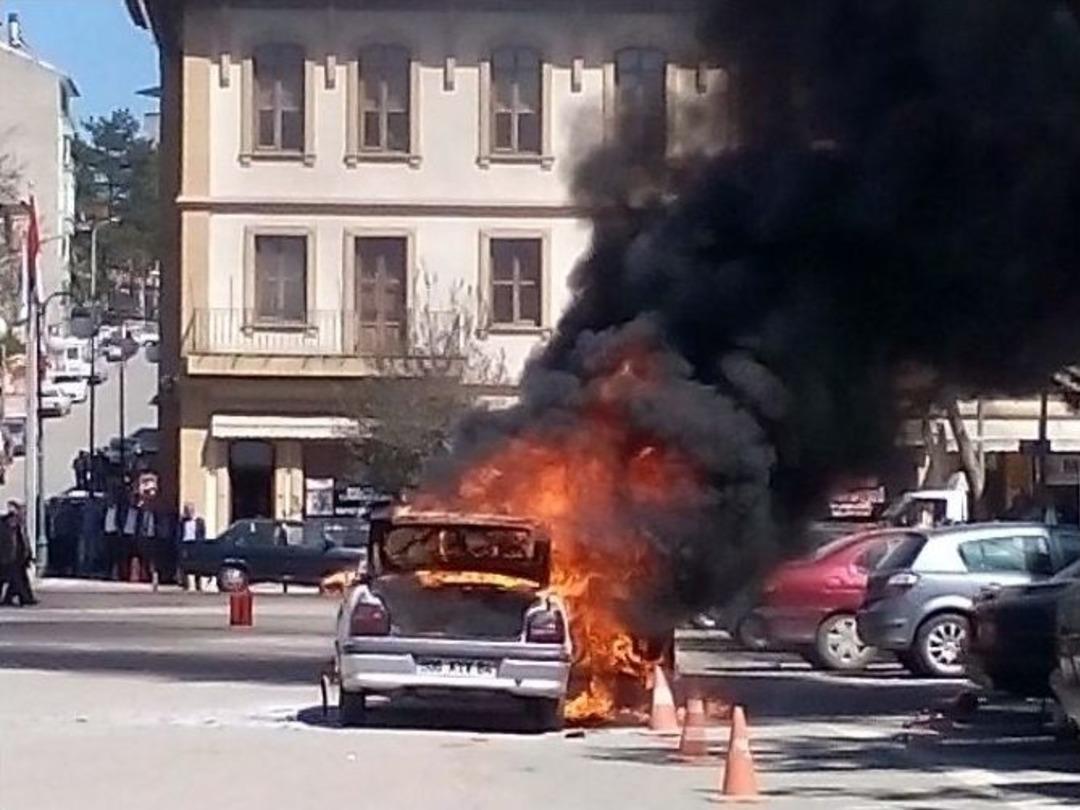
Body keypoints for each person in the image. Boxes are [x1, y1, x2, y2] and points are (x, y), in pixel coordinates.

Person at [1, 502, 36, 606]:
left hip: (17, 559)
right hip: (8, 559)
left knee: (18, 580)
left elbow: (23, 543)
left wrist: (28, 555)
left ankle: (22, 598)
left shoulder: (18, 528)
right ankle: (23, 598)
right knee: (17, 580)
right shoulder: (5, 529)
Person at [177, 503, 206, 591]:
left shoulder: (199, 521)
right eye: (187, 510)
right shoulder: (182, 522)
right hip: (185, 544)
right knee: (184, 564)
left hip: (195, 544)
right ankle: (185, 584)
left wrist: (201, 543)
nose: (188, 512)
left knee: (197, 565)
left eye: (190, 510)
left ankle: (198, 585)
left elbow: (202, 533)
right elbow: (179, 533)